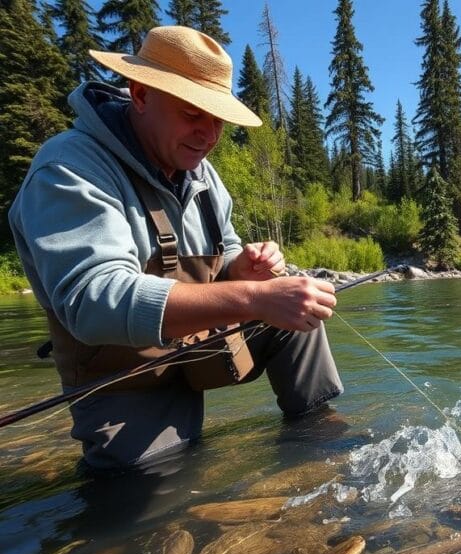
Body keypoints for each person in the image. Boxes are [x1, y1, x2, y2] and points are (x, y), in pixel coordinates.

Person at [8, 26, 344, 470]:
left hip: (201, 347)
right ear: (141, 94)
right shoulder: (69, 168)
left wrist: (244, 267)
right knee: (154, 492)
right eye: (193, 114)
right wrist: (254, 297)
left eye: (217, 120)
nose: (208, 135)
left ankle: (321, 446)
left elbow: (223, 254)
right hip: (125, 376)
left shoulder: (202, 173)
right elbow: (92, 302)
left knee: (302, 306)